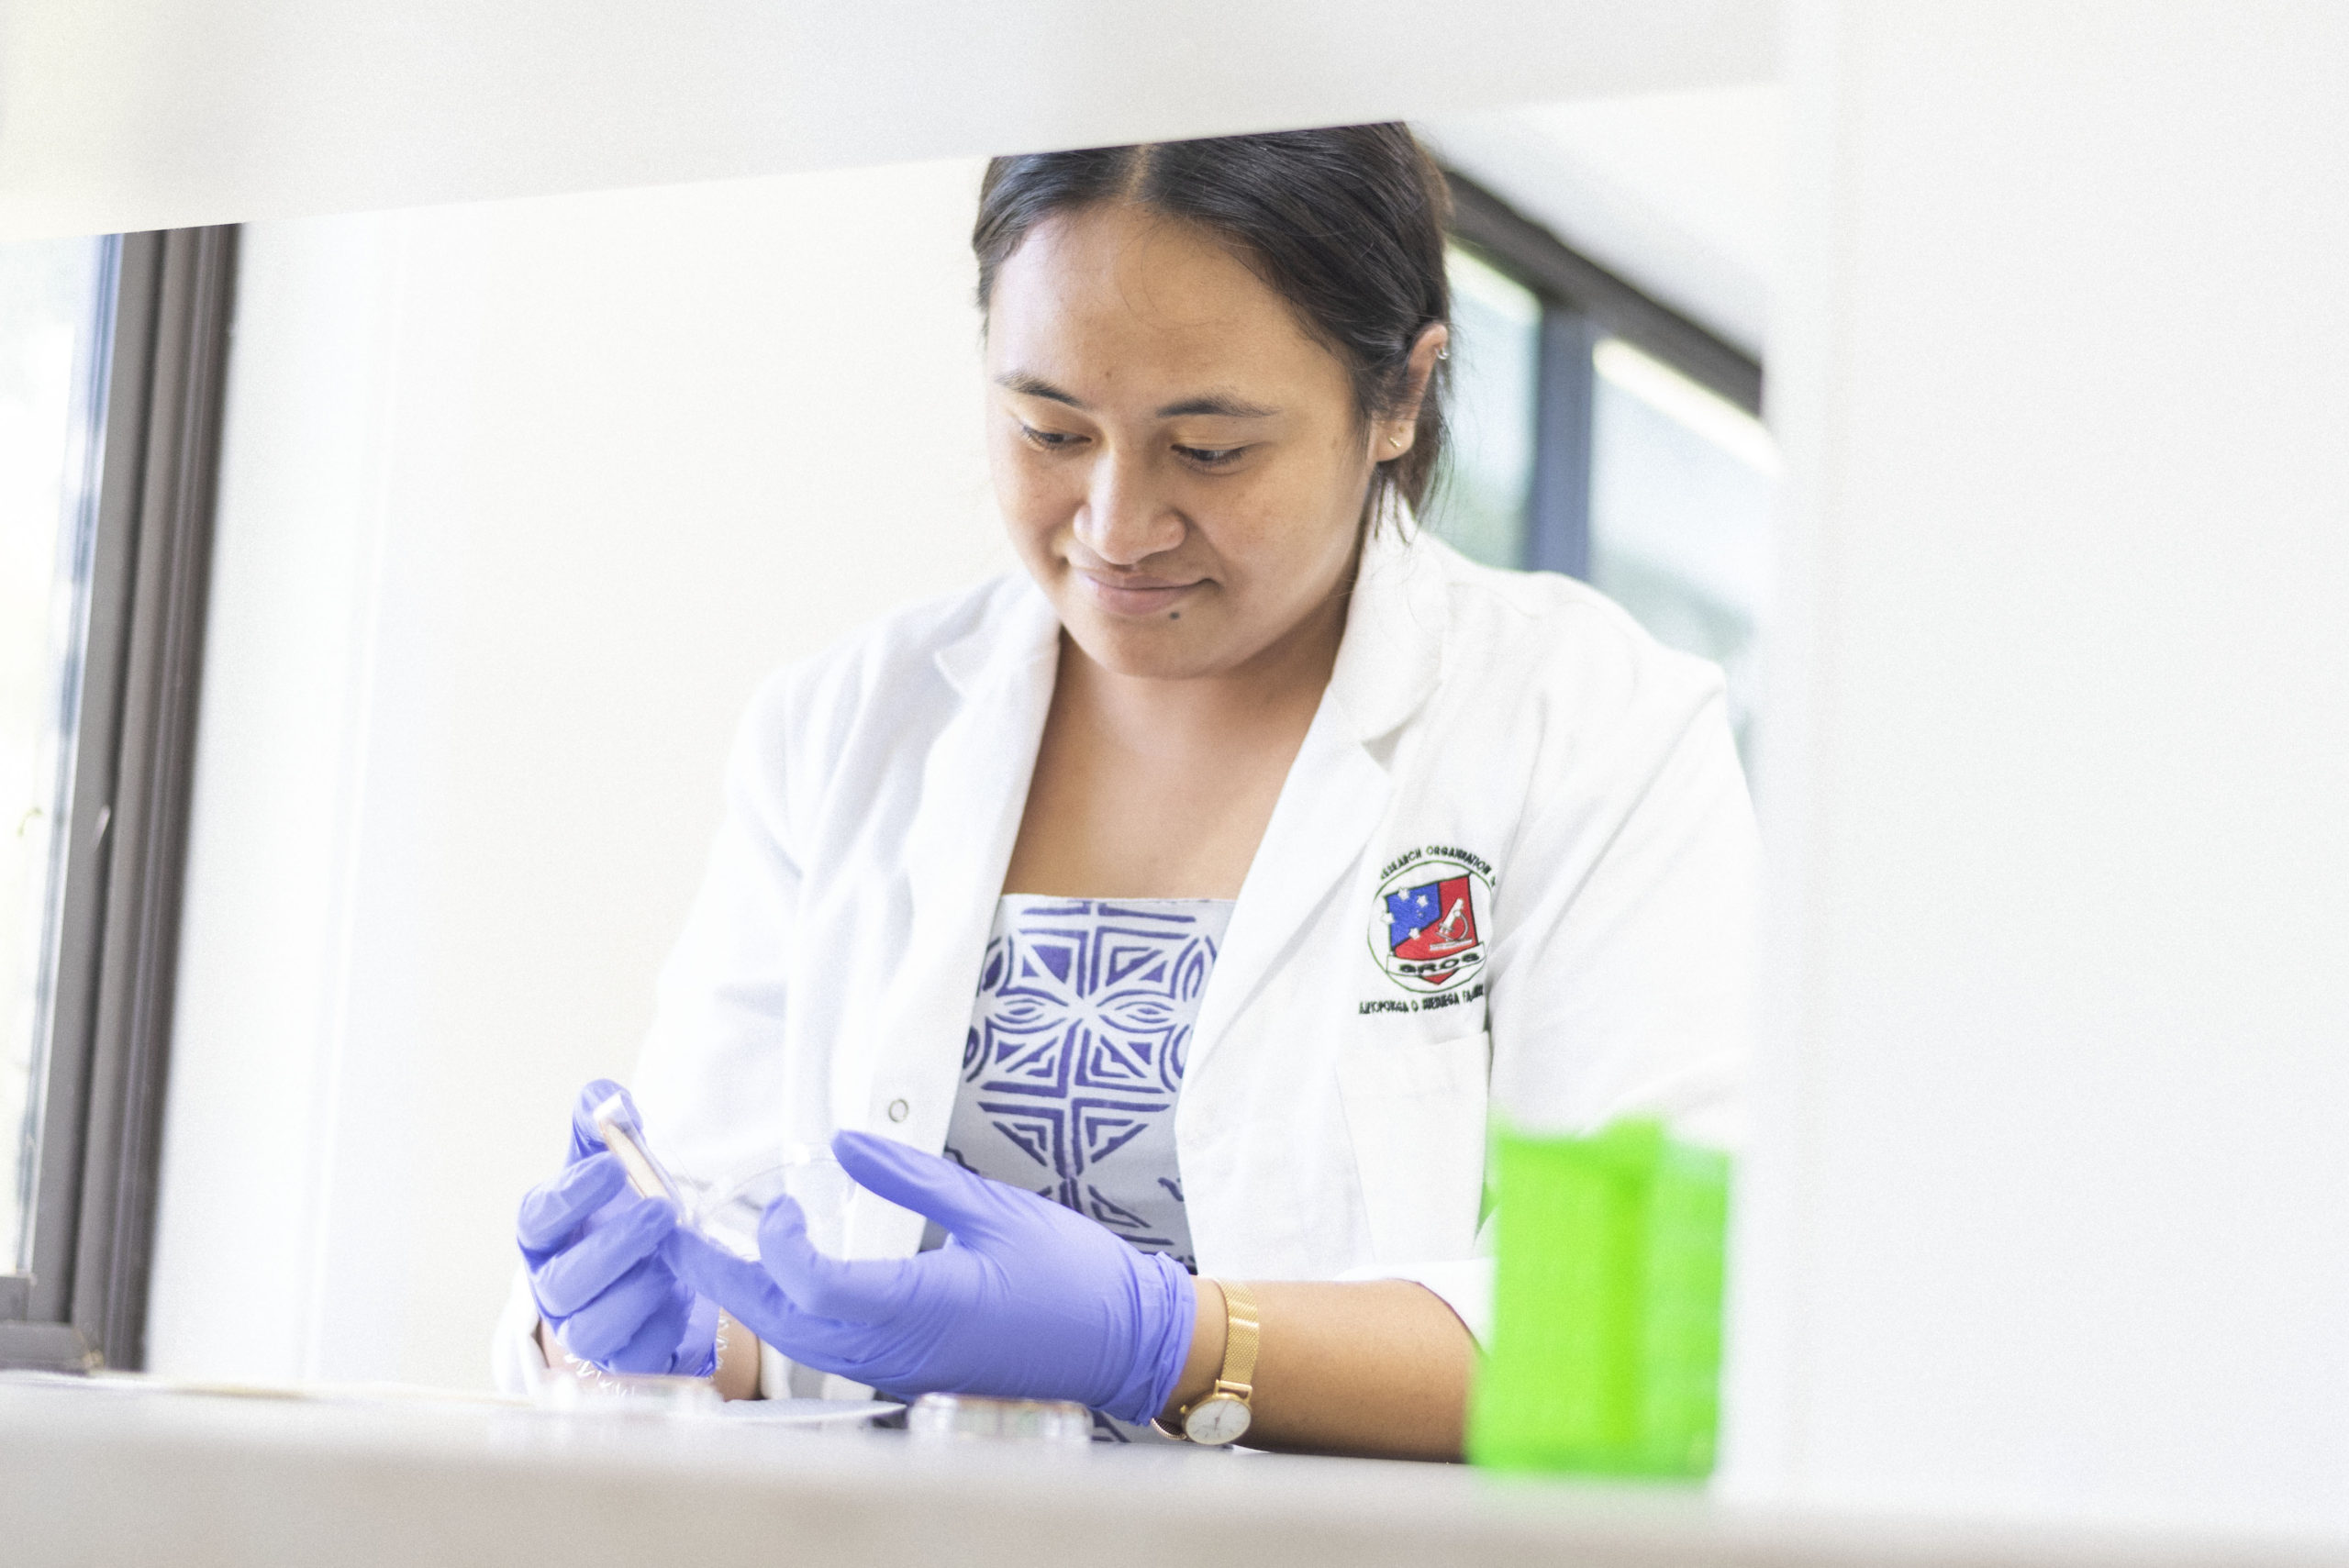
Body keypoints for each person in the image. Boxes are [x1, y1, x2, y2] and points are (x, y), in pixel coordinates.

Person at [496, 124, 1756, 1461]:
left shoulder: (1588, 726)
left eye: (1208, 449)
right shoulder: (849, 726)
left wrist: (1177, 1342)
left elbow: (1640, 1338)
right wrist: (689, 1322)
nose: (1114, 523)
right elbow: (744, 1226)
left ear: (1399, 394)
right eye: (1050, 427)